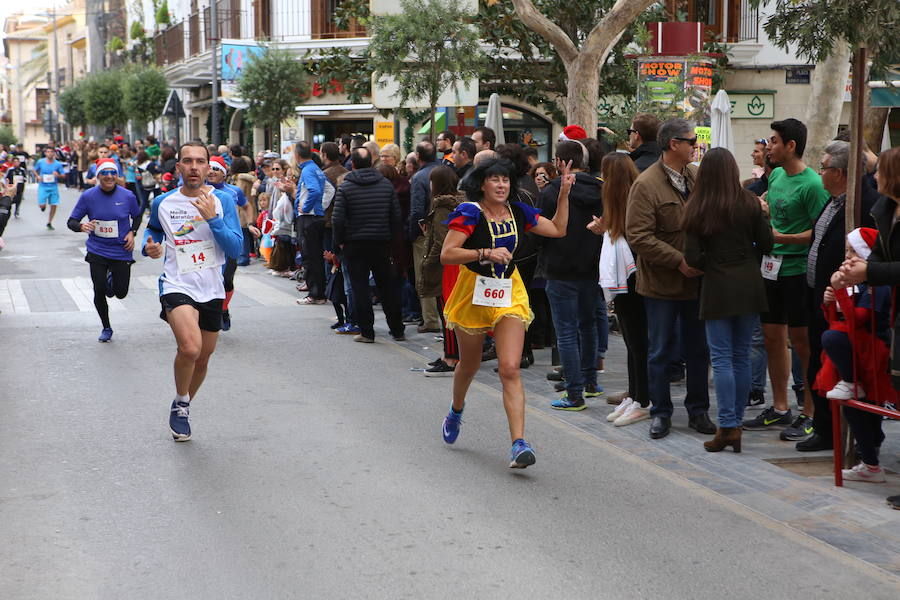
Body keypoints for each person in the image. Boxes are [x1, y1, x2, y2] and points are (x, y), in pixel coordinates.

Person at [439, 157, 573, 468]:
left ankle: (518, 444)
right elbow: (448, 255)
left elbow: (558, 229)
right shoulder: (469, 212)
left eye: (506, 180)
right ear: (481, 184)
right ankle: (456, 410)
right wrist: (484, 252)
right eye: (495, 180)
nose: (501, 185)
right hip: (474, 292)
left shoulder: (518, 211)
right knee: (469, 365)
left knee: (510, 368)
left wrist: (564, 194)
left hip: (508, 292)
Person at [142, 142, 243, 442]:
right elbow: (153, 230)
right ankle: (181, 401)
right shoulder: (163, 203)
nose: (194, 167)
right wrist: (150, 245)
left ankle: (182, 403)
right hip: (177, 283)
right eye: (188, 161)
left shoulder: (223, 200)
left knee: (202, 359)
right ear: (179, 168)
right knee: (190, 348)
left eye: (201, 161)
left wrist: (213, 218)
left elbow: (236, 248)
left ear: (208, 168)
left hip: (212, 288)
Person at [625, 118, 715, 439]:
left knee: (698, 350)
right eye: (691, 141)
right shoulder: (646, 184)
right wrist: (679, 262)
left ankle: (698, 411)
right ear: (673, 144)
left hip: (696, 283)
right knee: (660, 351)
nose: (696, 145)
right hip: (662, 285)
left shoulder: (696, 175)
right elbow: (638, 236)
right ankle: (660, 412)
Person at [681, 148, 774, 452]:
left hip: (718, 287)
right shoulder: (749, 202)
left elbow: (693, 258)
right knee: (741, 355)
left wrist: (716, 263)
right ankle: (735, 426)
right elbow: (768, 242)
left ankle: (728, 425)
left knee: (720, 358)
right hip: (749, 284)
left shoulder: (697, 207)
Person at [742, 118, 829, 435]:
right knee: (771, 338)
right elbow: (775, 213)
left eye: (775, 141)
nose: (769, 146)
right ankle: (780, 407)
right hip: (770, 268)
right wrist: (762, 211)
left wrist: (782, 237)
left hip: (797, 271)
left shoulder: (813, 184)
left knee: (803, 343)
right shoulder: (775, 175)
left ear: (791, 146)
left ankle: (810, 411)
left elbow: (821, 231)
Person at [797, 140, 878, 451]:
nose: (820, 172)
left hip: (847, 301)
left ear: (841, 173)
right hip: (820, 295)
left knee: (846, 368)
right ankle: (824, 427)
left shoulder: (862, 204)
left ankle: (853, 437)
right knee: (819, 361)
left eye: (825, 168)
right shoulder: (833, 201)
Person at [817, 227, 891, 481]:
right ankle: (870, 464)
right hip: (852, 353)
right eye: (846, 250)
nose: (847, 256)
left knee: (869, 407)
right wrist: (829, 301)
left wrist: (838, 292)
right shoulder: (854, 284)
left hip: (871, 353)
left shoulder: (875, 286)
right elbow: (834, 320)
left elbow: (856, 320)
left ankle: (871, 455)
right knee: (852, 409)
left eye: (853, 250)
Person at [538, 141, 604, 410]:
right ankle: (590, 382)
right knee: (587, 325)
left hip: (560, 266)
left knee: (565, 331)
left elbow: (541, 227)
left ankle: (574, 392)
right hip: (591, 266)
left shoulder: (553, 190)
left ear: (559, 162)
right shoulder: (601, 188)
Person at [594, 153, 649, 425]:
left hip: (635, 279)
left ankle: (643, 398)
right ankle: (636, 395)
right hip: (631, 278)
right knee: (632, 340)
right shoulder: (624, 201)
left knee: (637, 340)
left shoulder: (629, 202)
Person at [331, 147, 406, 343]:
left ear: (353, 164)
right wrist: (391, 239)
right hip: (381, 242)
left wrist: (338, 242)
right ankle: (397, 330)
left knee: (360, 287)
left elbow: (337, 220)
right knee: (387, 287)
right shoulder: (386, 185)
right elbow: (396, 217)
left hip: (354, 244)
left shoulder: (346, 187)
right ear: (371, 163)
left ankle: (367, 332)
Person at [66, 159, 142, 341]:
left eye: (112, 173)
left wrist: (132, 232)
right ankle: (106, 327)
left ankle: (111, 277)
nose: (109, 176)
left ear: (117, 175)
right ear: (98, 176)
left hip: (121, 250)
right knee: (99, 289)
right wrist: (82, 226)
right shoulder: (88, 196)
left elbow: (137, 217)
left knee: (120, 293)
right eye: (104, 173)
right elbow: (71, 222)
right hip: (97, 250)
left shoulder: (127, 196)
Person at [420, 166, 463, 376]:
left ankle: (452, 356)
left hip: (446, 267)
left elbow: (441, 241)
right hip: (458, 265)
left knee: (447, 311)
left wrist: (428, 262)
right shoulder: (460, 202)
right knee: (450, 311)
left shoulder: (442, 207)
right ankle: (450, 352)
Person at [207, 156, 251, 330]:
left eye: (216, 169)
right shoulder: (198, 191)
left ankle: (223, 309)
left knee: (226, 280)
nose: (211, 171)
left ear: (224, 174)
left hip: (229, 241)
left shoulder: (234, 191)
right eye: (209, 167)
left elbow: (247, 206)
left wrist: (250, 225)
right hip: (209, 242)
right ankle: (210, 313)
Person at [408, 141, 443, 333]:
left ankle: (430, 319)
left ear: (418, 157)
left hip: (425, 232)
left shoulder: (419, 177)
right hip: (446, 230)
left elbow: (416, 210)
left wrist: (413, 234)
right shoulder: (445, 171)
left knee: (425, 275)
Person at [294, 141, 328, 305]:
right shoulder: (316, 168)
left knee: (311, 257)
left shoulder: (307, 170)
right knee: (315, 257)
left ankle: (316, 294)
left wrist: (306, 208)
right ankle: (318, 292)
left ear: (297, 155)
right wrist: (321, 206)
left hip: (309, 218)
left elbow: (314, 190)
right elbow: (329, 189)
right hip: (316, 217)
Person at [34, 146, 66, 230]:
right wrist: (37, 176)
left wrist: (58, 175)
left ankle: (49, 222)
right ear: (45, 153)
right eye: (48, 152)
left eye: (51, 152)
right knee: (41, 205)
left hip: (53, 186)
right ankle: (43, 207)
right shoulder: (40, 162)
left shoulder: (57, 164)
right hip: (43, 186)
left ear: (54, 153)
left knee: (54, 204)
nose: (49, 153)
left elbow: (63, 175)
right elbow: (34, 170)